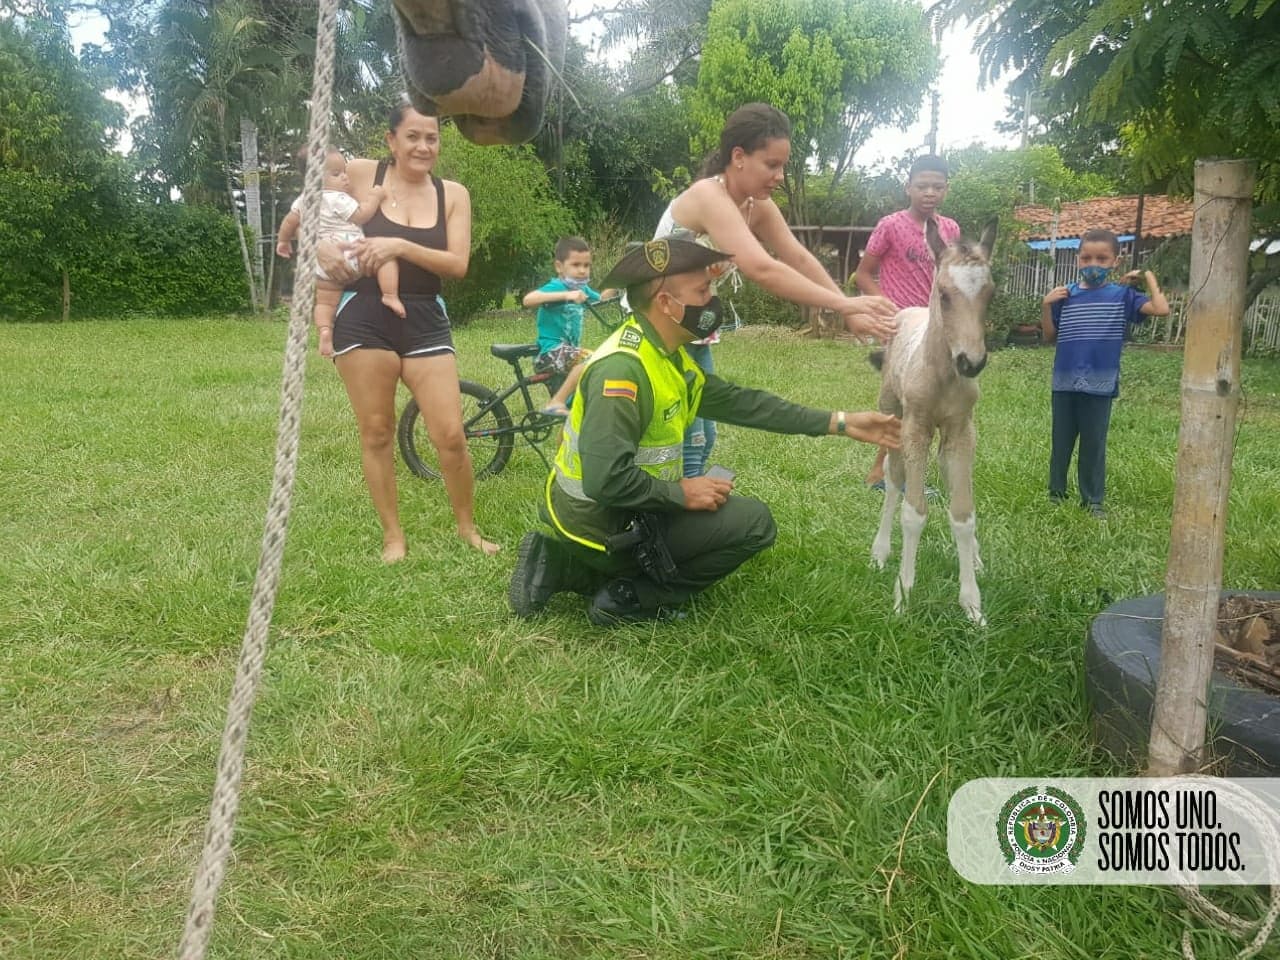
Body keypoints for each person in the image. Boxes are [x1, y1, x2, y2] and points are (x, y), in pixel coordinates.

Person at [507, 238, 902, 626]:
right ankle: (629, 595)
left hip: (617, 509)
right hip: (599, 521)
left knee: (724, 510)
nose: (712, 300)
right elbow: (604, 480)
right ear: (666, 302)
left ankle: (559, 565)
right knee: (753, 523)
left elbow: (739, 402)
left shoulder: (662, 353)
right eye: (702, 290)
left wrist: (842, 422)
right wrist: (681, 493)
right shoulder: (622, 371)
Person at [652, 102, 898, 478]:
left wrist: (848, 308)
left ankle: (686, 505)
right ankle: (671, 510)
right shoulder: (708, 196)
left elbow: (798, 258)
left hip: (692, 324)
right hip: (657, 322)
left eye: (783, 166)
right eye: (771, 164)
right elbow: (761, 268)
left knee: (703, 431)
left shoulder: (756, 206)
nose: (780, 176)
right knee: (685, 432)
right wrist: (842, 302)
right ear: (739, 157)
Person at [315, 102, 499, 561]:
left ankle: (467, 528)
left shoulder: (452, 193)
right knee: (376, 432)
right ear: (391, 140)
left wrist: (399, 244)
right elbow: (312, 213)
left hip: (423, 315)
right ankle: (394, 537)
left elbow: (457, 264)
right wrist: (320, 247)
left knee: (451, 434)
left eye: (432, 137)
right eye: (412, 136)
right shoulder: (358, 173)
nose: (423, 146)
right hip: (362, 312)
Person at [1040, 227, 1170, 517]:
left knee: (1093, 444)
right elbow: (1050, 336)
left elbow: (1161, 309)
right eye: (1086, 258)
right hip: (1064, 383)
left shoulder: (1123, 296)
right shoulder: (1064, 295)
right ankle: (1055, 494)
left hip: (1099, 384)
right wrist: (1045, 305)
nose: (1093, 265)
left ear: (1115, 262)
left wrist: (1147, 277)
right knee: (1060, 442)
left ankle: (1093, 500)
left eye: (1102, 258)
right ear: (1077, 260)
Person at [854, 154, 961, 491]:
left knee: (939, 395)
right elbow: (863, 274)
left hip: (936, 329)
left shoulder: (950, 229)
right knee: (898, 399)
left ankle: (908, 471)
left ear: (946, 190)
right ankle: (882, 471)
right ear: (908, 187)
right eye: (921, 186)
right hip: (901, 326)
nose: (929, 192)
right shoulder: (890, 226)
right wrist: (886, 308)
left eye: (937, 187)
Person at [275, 149, 399, 359]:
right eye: (336, 174)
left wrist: (283, 241)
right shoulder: (337, 198)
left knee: (324, 302)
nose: (345, 176)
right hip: (352, 250)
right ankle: (390, 295)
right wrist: (375, 197)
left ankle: (325, 330)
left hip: (322, 265)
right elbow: (361, 215)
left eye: (344, 172)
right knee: (386, 257)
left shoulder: (304, 200)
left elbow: (290, 222)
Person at [521, 235, 617, 416]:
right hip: (551, 352)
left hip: (567, 354)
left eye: (586, 266)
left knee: (574, 413)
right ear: (559, 267)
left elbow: (603, 300)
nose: (582, 270)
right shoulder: (557, 286)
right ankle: (555, 402)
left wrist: (618, 282)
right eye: (576, 265)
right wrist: (566, 296)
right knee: (592, 359)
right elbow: (529, 299)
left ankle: (564, 411)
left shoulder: (582, 289)